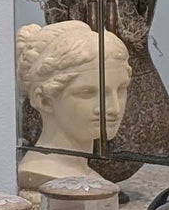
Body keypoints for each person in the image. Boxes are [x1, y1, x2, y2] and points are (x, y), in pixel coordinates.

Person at [17, 21, 131, 190]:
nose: (114, 108)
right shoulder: (38, 172)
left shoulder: (88, 175)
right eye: (88, 93)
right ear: (44, 100)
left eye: (121, 89)